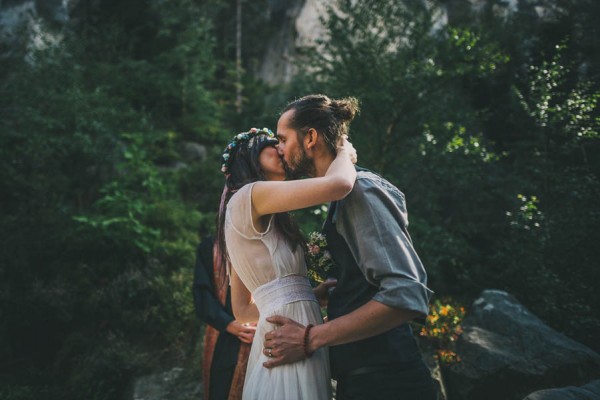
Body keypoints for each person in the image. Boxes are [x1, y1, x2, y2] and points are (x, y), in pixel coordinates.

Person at [262, 94, 437, 400]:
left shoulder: (361, 191)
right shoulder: (342, 196)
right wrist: (343, 289)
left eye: (283, 138)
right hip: (365, 382)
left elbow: (406, 294)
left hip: (390, 385)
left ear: (311, 138)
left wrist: (309, 337)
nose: (278, 148)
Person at [215, 127, 356, 400]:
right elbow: (339, 185)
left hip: (292, 333)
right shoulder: (248, 196)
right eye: (273, 143)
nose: (281, 149)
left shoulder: (263, 215)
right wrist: (343, 151)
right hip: (286, 338)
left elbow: (243, 310)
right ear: (250, 156)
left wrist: (308, 297)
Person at [192, 236, 256, 400]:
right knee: (221, 389)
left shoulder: (262, 244)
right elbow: (202, 293)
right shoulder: (210, 246)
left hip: (260, 335)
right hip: (223, 336)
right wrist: (227, 323)